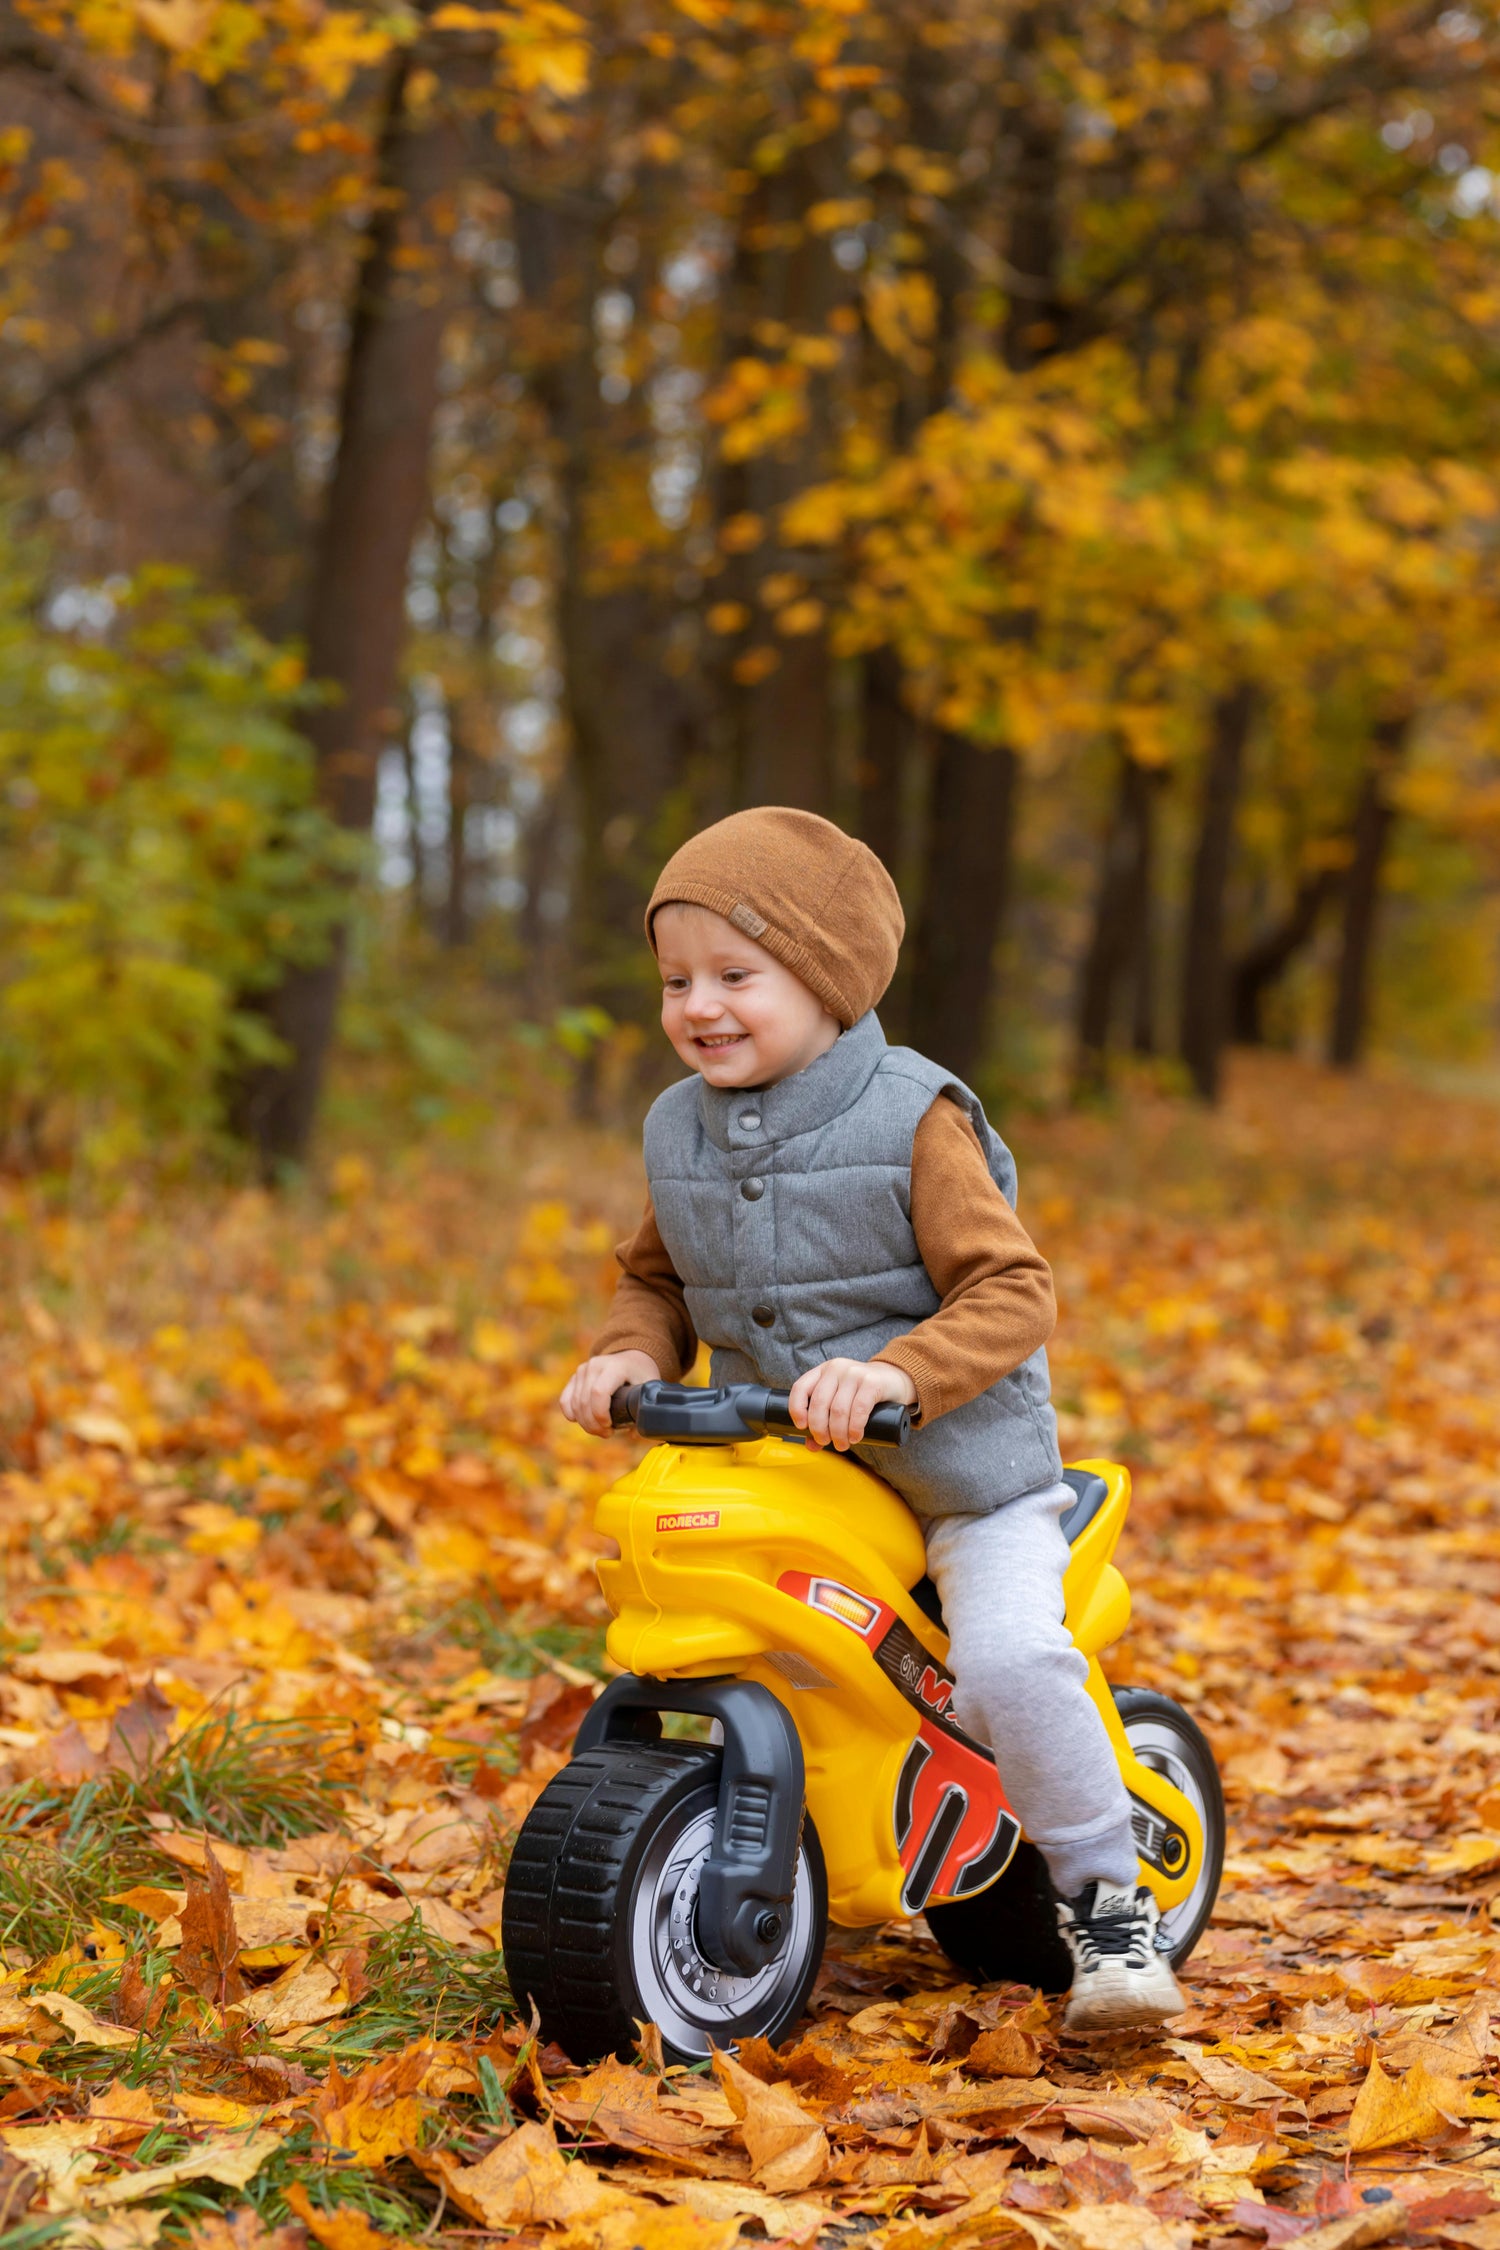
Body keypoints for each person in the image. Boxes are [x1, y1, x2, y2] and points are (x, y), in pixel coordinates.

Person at [559, 807, 1183, 2033]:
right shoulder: (674, 1125)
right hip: (791, 1471)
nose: (701, 1006)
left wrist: (899, 1374)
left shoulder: (914, 1115)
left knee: (1005, 1658)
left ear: (828, 977)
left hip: (959, 1478)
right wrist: (623, 1356)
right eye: (677, 979)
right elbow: (658, 1278)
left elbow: (1015, 1289)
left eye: (739, 975)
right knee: (737, 1622)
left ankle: (1111, 1903)